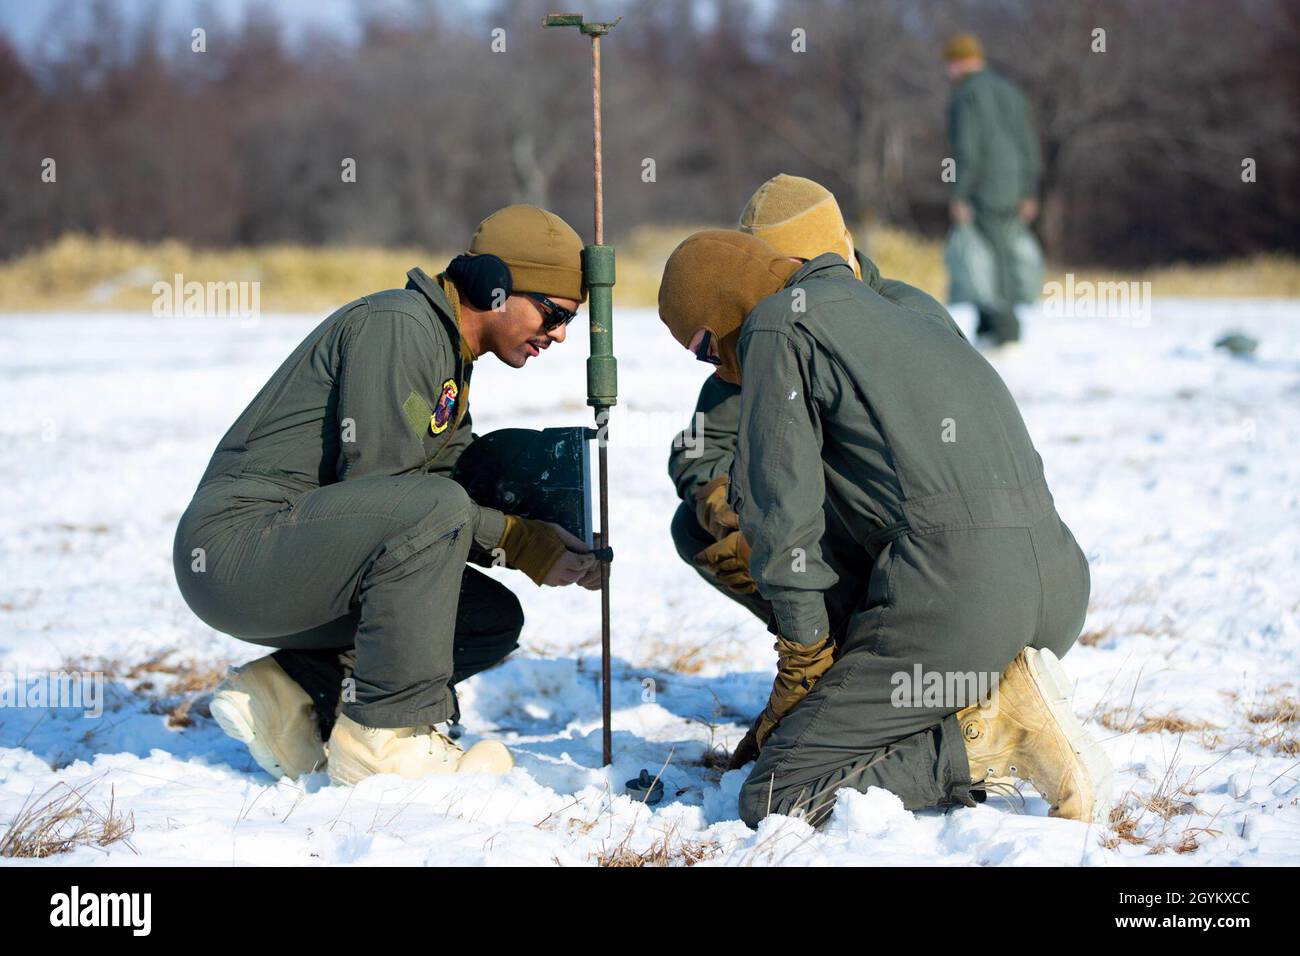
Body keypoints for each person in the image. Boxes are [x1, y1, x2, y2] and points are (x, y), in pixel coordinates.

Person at [657, 228, 1111, 827]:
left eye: (704, 348)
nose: (714, 366)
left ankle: (990, 733)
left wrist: (803, 655)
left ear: (726, 308)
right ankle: (981, 693)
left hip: (955, 599)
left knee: (776, 794)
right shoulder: (905, 308)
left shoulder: (775, 326)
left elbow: (783, 510)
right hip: (1057, 590)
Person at [174, 205, 600, 786]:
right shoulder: (398, 325)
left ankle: (289, 694)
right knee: (432, 507)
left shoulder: (448, 355)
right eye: (552, 314)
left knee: (485, 618)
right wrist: (517, 541)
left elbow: (442, 491)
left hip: (297, 557)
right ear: (494, 287)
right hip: (238, 551)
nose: (560, 334)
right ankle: (386, 739)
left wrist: (551, 535)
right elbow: (395, 496)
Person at [669, 174, 965, 622]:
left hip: (913, 537)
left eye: (795, 268)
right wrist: (726, 506)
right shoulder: (760, 333)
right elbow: (702, 444)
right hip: (817, 531)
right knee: (695, 527)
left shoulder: (913, 317)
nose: (787, 287)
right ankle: (815, 642)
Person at [945, 33, 1041, 345]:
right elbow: (1028, 143)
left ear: (958, 63)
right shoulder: (1010, 91)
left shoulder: (967, 95)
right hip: (1014, 186)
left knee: (988, 259)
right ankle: (988, 327)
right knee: (1006, 255)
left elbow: (967, 149)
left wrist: (960, 194)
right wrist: (1028, 189)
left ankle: (1003, 330)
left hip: (985, 189)